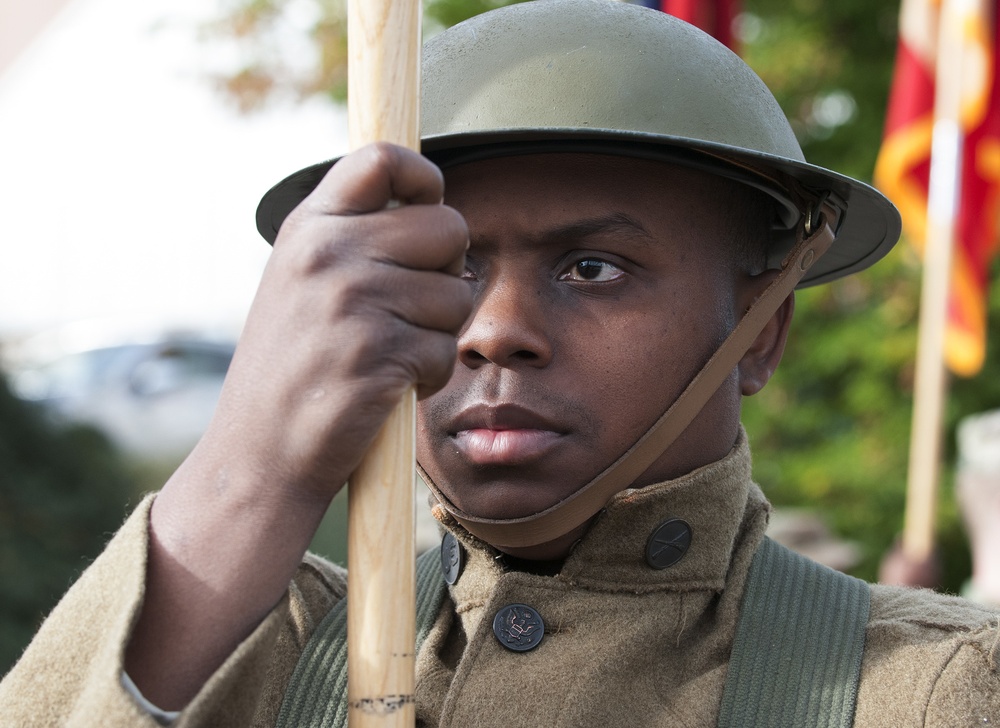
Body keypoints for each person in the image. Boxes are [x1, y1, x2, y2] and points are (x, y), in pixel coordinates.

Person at [1, 2, 998, 726]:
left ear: (762, 329)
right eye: (451, 263)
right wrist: (255, 457)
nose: (493, 329)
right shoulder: (241, 649)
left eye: (593, 266)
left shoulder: (926, 688)